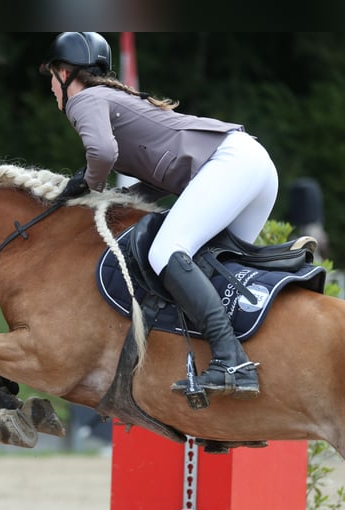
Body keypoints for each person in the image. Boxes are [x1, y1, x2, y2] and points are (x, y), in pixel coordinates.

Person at [41, 32, 280, 402]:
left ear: (64, 72)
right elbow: (155, 185)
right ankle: (247, 365)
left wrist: (87, 184)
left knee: (165, 252)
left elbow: (101, 153)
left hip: (230, 164)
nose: (52, 89)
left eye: (51, 78)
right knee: (214, 272)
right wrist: (112, 199)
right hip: (253, 166)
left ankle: (231, 362)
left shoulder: (84, 100)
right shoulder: (113, 98)